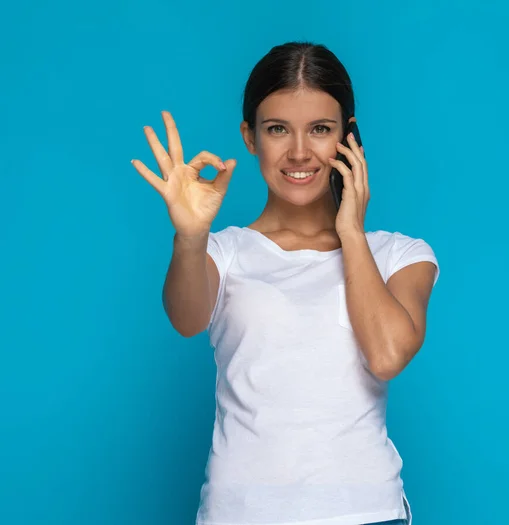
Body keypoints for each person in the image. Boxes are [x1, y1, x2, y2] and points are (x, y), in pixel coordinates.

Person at [132, 41, 439, 525]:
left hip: (366, 513)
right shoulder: (224, 250)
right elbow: (186, 319)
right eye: (278, 129)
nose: (299, 152)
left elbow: (386, 355)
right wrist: (190, 237)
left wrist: (351, 232)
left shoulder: (399, 255)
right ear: (250, 137)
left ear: (349, 138)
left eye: (320, 129)